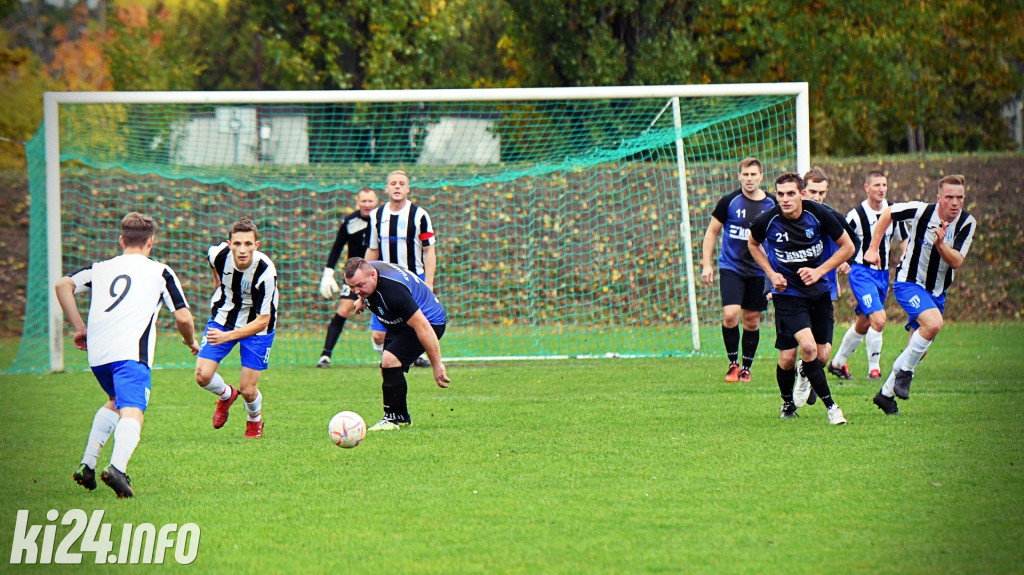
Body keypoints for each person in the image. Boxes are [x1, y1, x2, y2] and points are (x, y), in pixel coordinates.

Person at [55, 212, 200, 498]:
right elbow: (183, 317)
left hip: (98, 355)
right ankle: (117, 469)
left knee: (115, 402)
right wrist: (190, 341)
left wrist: (80, 327)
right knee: (133, 409)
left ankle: (87, 465)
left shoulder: (100, 268)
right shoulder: (160, 271)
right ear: (151, 242)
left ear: (122, 240)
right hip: (130, 354)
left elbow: (63, 285)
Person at [748, 173, 856, 424]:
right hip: (788, 294)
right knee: (796, 353)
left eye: (791, 193)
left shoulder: (819, 214)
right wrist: (772, 274)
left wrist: (820, 271)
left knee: (821, 356)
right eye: (780, 194)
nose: (785, 199)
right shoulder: (768, 220)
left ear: (802, 194)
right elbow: (753, 244)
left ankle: (805, 372)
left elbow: (849, 247)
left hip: (819, 293)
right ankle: (828, 408)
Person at [864, 174, 976, 415]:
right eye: (949, 197)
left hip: (937, 292)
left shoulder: (967, 223)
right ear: (939, 198)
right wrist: (873, 248)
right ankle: (906, 373)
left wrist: (941, 245)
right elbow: (888, 213)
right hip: (909, 283)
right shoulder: (921, 211)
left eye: (959, 198)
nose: (955, 203)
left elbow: (957, 261)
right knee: (934, 324)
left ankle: (885, 394)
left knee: (918, 350)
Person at [194, 218, 279, 438]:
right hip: (224, 317)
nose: (242, 250)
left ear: (256, 245)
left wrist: (227, 337)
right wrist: (218, 283)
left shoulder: (266, 272)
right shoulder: (219, 255)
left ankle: (254, 420)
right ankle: (226, 394)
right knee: (202, 376)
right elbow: (210, 258)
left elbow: (263, 320)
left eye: (248, 244)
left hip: (257, 326)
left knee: (249, 390)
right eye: (237, 243)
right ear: (229, 244)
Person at [344, 257, 450, 430]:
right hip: (400, 320)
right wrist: (361, 299)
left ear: (373, 275)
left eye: (360, 286)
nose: (356, 291)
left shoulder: (394, 292)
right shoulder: (369, 272)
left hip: (430, 322)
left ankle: (390, 420)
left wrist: (437, 364)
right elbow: (365, 287)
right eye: (352, 287)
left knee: (389, 360)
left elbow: (423, 326)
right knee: (387, 369)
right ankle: (402, 417)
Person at [700, 157, 778, 383]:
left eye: (753, 174)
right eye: (745, 174)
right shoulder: (729, 202)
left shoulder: (773, 204)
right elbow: (712, 232)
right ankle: (733, 364)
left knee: (751, 320)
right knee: (730, 314)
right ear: (739, 176)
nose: (749, 178)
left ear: (761, 176)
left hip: (759, 270)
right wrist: (706, 264)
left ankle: (746, 368)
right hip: (731, 267)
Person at [789, 168, 859, 407]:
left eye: (821, 192)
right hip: (794, 291)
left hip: (824, 289)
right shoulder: (787, 218)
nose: (817, 197)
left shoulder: (830, 216)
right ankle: (792, 397)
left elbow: (854, 241)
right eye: (812, 192)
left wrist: (847, 262)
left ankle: (805, 371)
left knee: (823, 355)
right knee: (802, 347)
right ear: (802, 191)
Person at [829, 171, 908, 381]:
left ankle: (837, 364)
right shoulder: (856, 215)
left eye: (884, 185)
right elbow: (840, 240)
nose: (881, 189)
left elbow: (903, 238)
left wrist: (905, 254)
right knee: (879, 319)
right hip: (861, 273)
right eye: (876, 185)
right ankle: (874, 370)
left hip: (882, 275)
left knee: (864, 322)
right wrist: (842, 262)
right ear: (866, 188)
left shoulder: (893, 212)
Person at [365, 170, 437, 368]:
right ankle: (392, 356)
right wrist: (362, 282)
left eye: (401, 183)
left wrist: (429, 282)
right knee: (378, 335)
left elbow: (429, 250)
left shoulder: (420, 215)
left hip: (414, 280)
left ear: (408, 189)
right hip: (384, 281)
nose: (397, 186)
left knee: (417, 324)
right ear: (386, 188)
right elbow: (373, 249)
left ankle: (405, 358)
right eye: (393, 183)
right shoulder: (376, 215)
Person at [316, 188, 380, 368]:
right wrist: (328, 272)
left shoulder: (383, 220)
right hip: (353, 276)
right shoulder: (350, 221)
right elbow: (337, 247)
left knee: (393, 309)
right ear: (357, 202)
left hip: (377, 274)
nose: (367, 204)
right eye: (363, 201)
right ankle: (325, 355)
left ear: (376, 202)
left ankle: (415, 354)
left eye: (370, 201)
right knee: (344, 309)